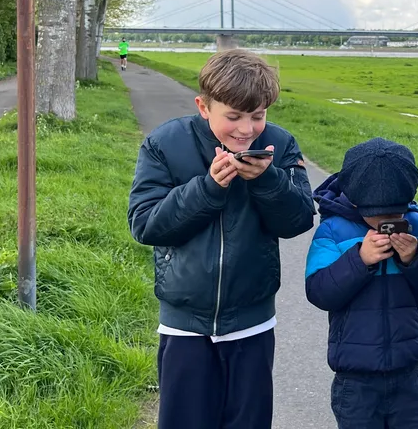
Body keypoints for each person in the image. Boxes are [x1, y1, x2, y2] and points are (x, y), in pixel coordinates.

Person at [127, 49, 317, 428]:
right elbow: (145, 224)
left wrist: (267, 179)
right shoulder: (165, 143)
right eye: (233, 116)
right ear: (203, 106)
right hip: (184, 324)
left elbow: (297, 220)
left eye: (258, 116)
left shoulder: (279, 145)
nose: (246, 130)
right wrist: (209, 187)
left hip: (252, 321)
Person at [305, 137, 418, 428]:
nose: (390, 221)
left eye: (397, 213)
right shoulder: (333, 230)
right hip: (355, 378)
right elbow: (319, 291)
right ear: (354, 199)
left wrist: (416, 257)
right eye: (380, 216)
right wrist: (359, 259)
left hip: (408, 372)